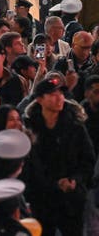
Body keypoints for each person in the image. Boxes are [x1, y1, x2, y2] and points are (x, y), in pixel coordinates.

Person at [23, 75, 96, 236]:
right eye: (53, 95)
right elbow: (27, 165)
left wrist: (75, 180)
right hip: (40, 199)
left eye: (61, 94)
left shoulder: (75, 126)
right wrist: (49, 184)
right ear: (40, 99)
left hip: (70, 199)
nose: (59, 98)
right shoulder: (29, 128)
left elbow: (87, 160)